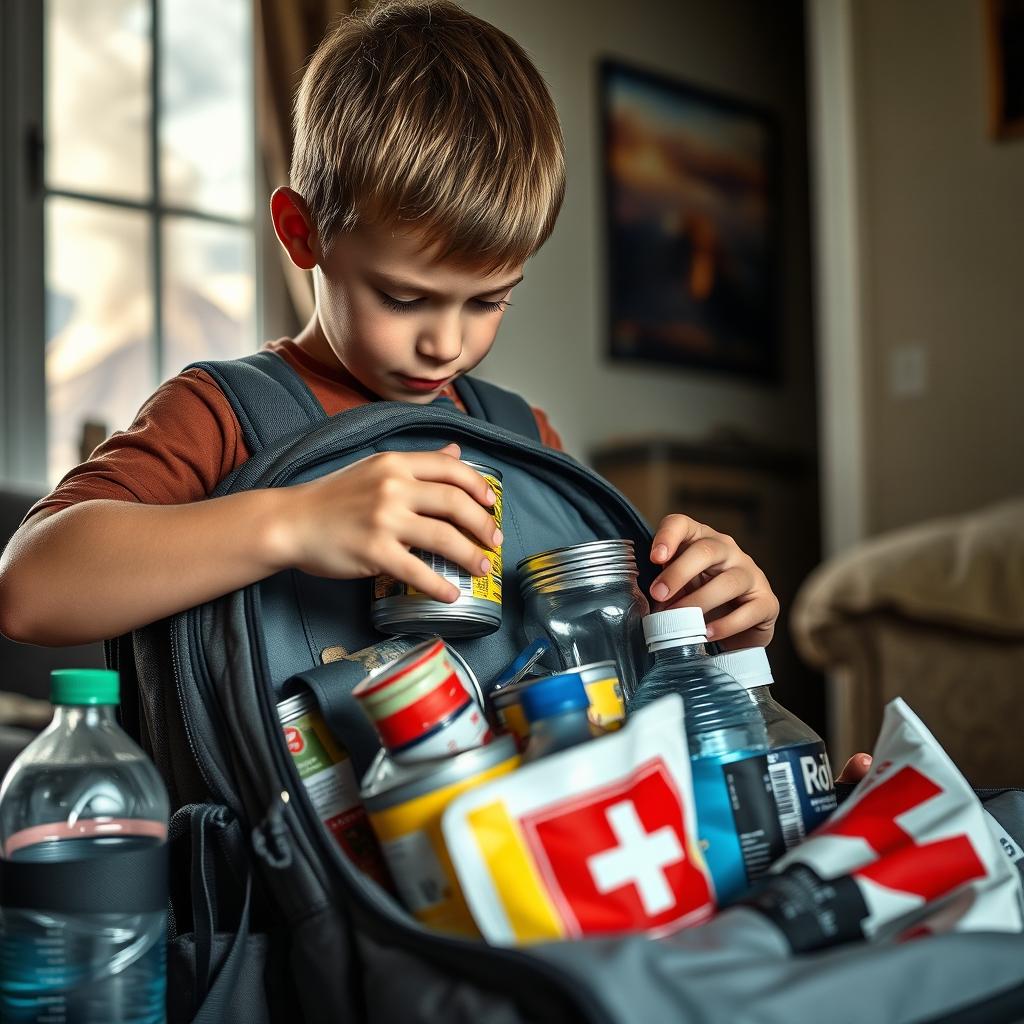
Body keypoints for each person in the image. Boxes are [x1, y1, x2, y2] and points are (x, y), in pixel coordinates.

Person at [0, 2, 865, 777]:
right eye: (403, 297)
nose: (447, 343)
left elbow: (613, 678)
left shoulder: (521, 435)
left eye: (490, 301)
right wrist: (292, 522)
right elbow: (32, 589)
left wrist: (710, 627)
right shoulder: (222, 413)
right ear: (302, 235)